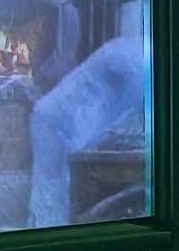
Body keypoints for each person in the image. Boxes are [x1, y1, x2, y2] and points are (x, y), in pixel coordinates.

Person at [28, 34, 147, 229]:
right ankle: (49, 238)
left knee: (59, 192)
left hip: (69, 124)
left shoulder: (135, 53)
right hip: (55, 121)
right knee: (52, 192)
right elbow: (142, 96)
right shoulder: (132, 54)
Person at [36, 0, 84, 93]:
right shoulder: (64, 11)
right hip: (61, 69)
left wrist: (46, 69)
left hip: (64, 72)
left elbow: (66, 49)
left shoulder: (69, 12)